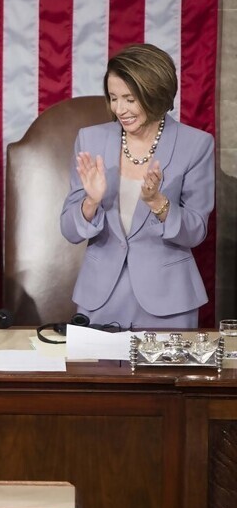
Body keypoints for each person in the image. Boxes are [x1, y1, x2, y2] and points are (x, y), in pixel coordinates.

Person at [60, 43, 214, 329]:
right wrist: (91, 202)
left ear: (154, 94)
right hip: (99, 299)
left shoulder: (196, 145)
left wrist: (158, 203)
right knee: (94, 375)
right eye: (114, 97)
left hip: (168, 301)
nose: (119, 109)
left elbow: (196, 231)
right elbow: (69, 231)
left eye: (130, 99)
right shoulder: (90, 140)